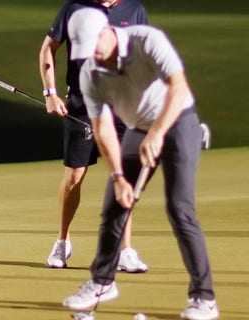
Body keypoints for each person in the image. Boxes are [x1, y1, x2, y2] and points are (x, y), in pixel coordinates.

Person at [61, 8, 219, 320]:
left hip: (178, 121)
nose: (92, 55)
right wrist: (118, 176)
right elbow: (103, 127)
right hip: (137, 129)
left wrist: (158, 132)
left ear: (107, 31)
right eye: (85, 50)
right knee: (115, 205)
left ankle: (204, 299)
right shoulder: (89, 72)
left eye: (95, 46)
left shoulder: (147, 41)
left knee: (179, 207)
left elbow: (180, 86)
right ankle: (102, 282)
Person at [38, 0, 148, 272]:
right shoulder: (73, 7)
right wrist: (50, 93)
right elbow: (48, 48)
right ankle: (62, 241)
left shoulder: (135, 10)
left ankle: (126, 251)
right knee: (74, 176)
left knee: (123, 176)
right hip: (83, 103)